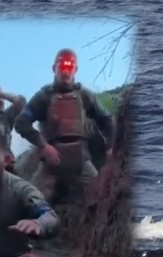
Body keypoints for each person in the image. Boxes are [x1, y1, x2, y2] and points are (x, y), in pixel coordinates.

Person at [14, 48, 116, 206]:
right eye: (62, 66)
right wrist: (43, 146)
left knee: (102, 197)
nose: (66, 72)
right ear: (54, 68)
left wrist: (110, 146)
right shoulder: (44, 96)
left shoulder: (84, 95)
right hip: (51, 163)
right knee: (30, 203)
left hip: (81, 162)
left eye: (70, 67)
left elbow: (106, 119)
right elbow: (21, 122)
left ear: (76, 69)